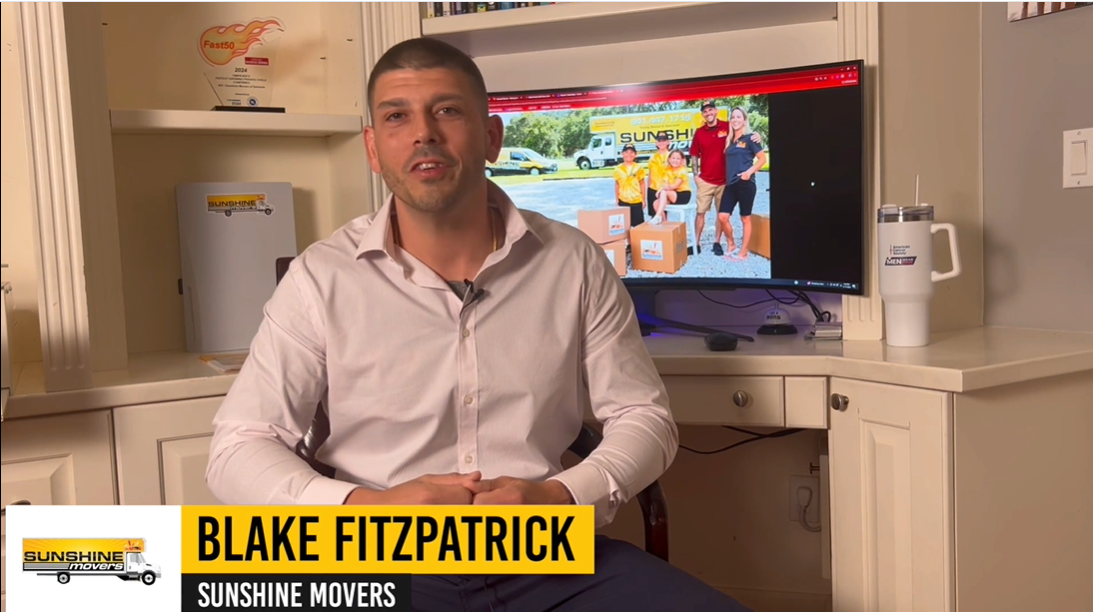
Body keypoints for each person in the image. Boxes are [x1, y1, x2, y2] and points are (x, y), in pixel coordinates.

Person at [204, 36, 753, 612]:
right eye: (397, 116)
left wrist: (561, 496)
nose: (424, 133)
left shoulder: (573, 261)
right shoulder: (321, 277)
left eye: (447, 110)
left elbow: (645, 418)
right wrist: (365, 508)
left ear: (492, 136)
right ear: (374, 147)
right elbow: (240, 446)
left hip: (546, 551)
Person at [689, 102, 761, 256]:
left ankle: (717, 242)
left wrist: (757, 135)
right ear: (703, 114)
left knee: (721, 215)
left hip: (725, 181)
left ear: (716, 111)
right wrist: (695, 175)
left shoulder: (727, 126)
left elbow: (745, 133)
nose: (708, 113)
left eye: (710, 109)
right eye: (705, 111)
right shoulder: (700, 132)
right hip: (706, 180)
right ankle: (696, 242)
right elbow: (694, 154)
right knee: (700, 212)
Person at [718, 106, 768, 261]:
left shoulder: (751, 138)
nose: (735, 119)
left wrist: (749, 172)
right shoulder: (729, 140)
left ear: (744, 120)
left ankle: (743, 252)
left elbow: (762, 159)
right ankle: (732, 244)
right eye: (733, 117)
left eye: (739, 117)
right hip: (731, 184)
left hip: (746, 183)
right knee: (722, 217)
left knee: (745, 218)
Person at [652, 149, 692, 223]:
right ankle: (664, 222)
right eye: (673, 158)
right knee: (655, 203)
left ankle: (657, 216)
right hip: (672, 194)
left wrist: (660, 190)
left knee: (664, 192)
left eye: (678, 158)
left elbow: (674, 186)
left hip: (683, 194)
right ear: (669, 159)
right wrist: (663, 189)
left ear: (682, 160)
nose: (675, 160)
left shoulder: (682, 170)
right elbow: (665, 184)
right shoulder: (668, 170)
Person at [613, 143, 648, 228]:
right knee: (624, 226)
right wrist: (617, 199)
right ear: (622, 154)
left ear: (635, 154)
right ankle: (626, 241)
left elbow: (642, 183)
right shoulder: (618, 169)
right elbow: (617, 184)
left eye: (631, 152)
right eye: (626, 152)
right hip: (623, 201)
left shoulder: (639, 168)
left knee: (638, 227)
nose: (629, 154)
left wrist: (643, 199)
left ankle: (637, 241)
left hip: (636, 201)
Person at [646, 131, 672, 219]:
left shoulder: (671, 156)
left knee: (662, 213)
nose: (661, 143)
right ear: (656, 143)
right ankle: (655, 233)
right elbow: (650, 174)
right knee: (653, 215)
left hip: (664, 190)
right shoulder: (652, 157)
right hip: (653, 189)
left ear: (668, 142)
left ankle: (665, 231)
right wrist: (648, 188)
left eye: (664, 140)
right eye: (659, 141)